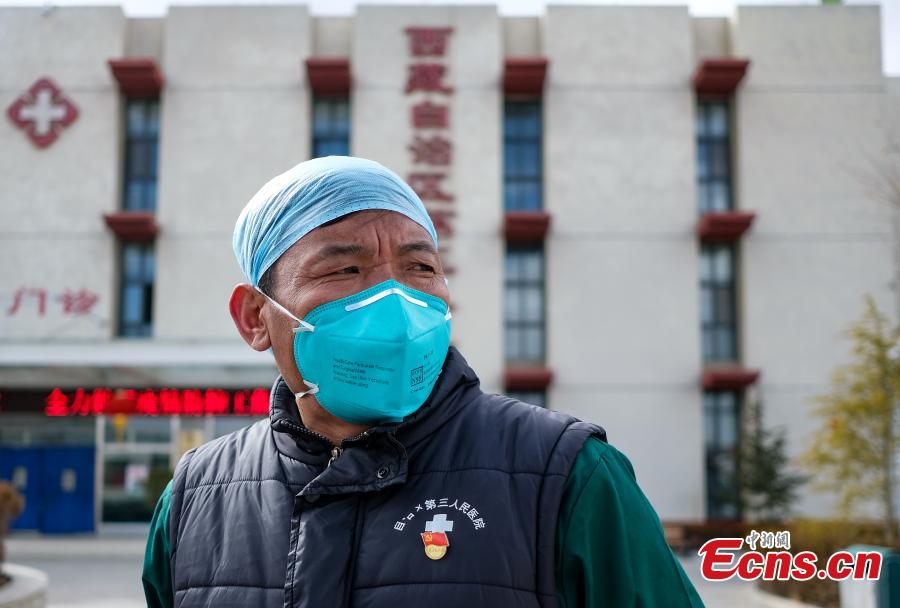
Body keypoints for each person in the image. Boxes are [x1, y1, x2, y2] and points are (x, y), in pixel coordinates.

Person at [142, 156, 704, 607]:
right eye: (345, 269)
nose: (395, 301)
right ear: (255, 318)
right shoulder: (195, 497)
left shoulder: (567, 473)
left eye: (420, 268)